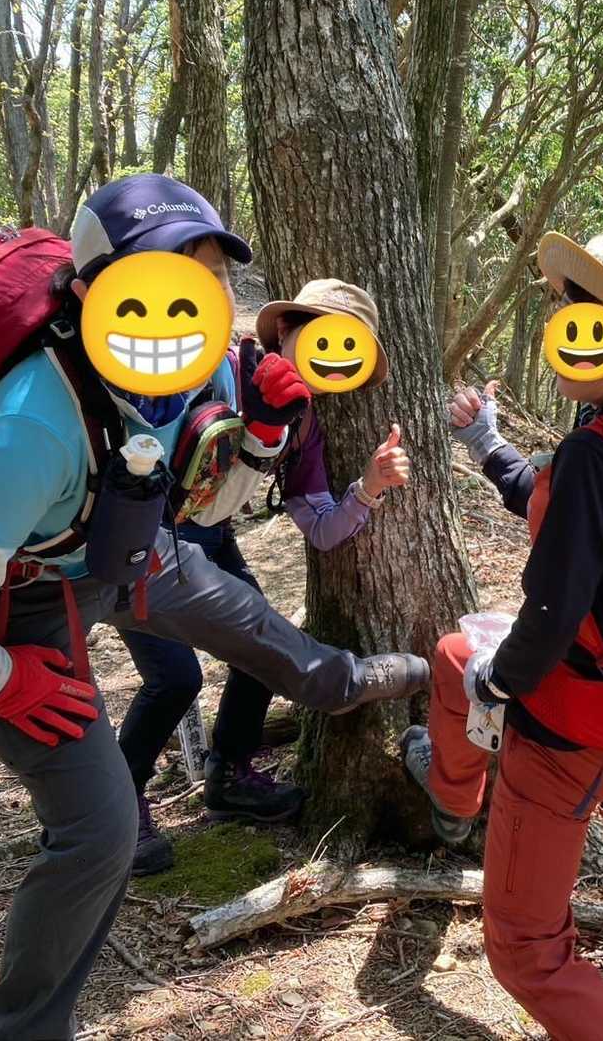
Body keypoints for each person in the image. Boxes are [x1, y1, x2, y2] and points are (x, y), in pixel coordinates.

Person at [0, 173, 428, 1041]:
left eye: (205, 279)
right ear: (90, 290)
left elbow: (207, 503)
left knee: (249, 619)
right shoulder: (33, 422)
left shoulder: (199, 362)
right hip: (26, 598)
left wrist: (264, 435)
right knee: (99, 830)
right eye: (159, 278)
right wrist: (2, 680)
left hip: (130, 549)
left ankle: (343, 682)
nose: (184, 303)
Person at [400, 228, 603, 1041]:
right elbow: (556, 508)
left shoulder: (595, 457)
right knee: (452, 656)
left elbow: (550, 610)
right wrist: (487, 443)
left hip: (567, 728)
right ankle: (454, 801)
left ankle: (461, 797)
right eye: (571, 311)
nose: (572, 329)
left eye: (596, 320)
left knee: (526, 952)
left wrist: (499, 683)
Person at [120, 280, 411, 874]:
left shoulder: (305, 426)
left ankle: (229, 775)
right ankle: (119, 808)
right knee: (174, 679)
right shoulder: (214, 372)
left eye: (349, 347)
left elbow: (322, 529)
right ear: (285, 329)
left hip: (211, 538)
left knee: (264, 649)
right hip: (144, 538)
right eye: (322, 336)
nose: (334, 358)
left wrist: (369, 488)